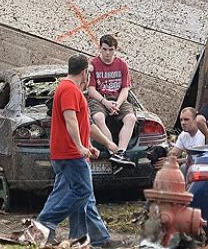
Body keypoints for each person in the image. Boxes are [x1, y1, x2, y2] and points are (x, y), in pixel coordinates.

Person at [19, 54, 111, 248]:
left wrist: (89, 146)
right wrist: (79, 147)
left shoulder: (70, 89)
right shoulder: (69, 89)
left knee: (71, 195)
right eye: (88, 74)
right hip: (70, 154)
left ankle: (80, 237)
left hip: (70, 153)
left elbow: (82, 124)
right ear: (84, 72)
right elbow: (70, 120)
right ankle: (43, 226)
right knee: (83, 191)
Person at [88, 34, 137, 167]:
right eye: (104, 49)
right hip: (100, 99)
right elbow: (91, 90)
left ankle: (121, 152)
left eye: (110, 50)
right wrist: (106, 103)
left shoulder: (122, 65)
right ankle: (113, 151)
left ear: (115, 49)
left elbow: (125, 89)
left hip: (118, 99)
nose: (107, 53)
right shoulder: (93, 64)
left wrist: (118, 104)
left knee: (131, 118)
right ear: (100, 48)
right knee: (98, 117)